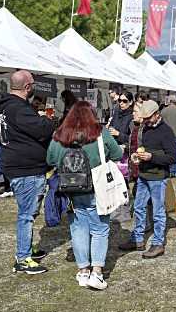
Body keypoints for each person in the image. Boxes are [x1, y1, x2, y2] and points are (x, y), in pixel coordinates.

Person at [47, 101, 122, 290]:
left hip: (69, 189)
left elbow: (50, 159)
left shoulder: (60, 135)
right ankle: (96, 273)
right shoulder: (100, 133)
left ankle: (83, 271)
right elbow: (117, 154)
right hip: (96, 188)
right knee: (99, 228)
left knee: (77, 228)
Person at [0, 70, 55, 275]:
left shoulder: (10, 106)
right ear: (27, 87)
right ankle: (23, 258)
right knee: (27, 215)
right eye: (33, 85)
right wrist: (49, 120)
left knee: (30, 211)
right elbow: (42, 129)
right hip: (25, 169)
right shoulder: (17, 108)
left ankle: (27, 248)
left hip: (21, 166)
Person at [119, 100, 176, 259]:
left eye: (148, 118)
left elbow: (172, 158)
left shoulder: (166, 131)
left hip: (158, 178)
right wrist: (137, 157)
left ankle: (158, 243)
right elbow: (143, 149)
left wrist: (152, 157)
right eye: (143, 118)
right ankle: (137, 239)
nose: (144, 121)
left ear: (157, 114)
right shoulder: (144, 129)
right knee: (138, 207)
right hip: (143, 175)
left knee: (158, 212)